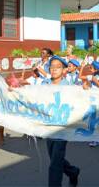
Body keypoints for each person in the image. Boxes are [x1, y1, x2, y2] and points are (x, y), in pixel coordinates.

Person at [41, 55, 80, 187]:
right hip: (48, 127)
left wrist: (85, 90)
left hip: (62, 128)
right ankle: (73, 172)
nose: (54, 70)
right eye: (52, 67)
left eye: (58, 67)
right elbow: (32, 97)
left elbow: (78, 102)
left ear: (64, 70)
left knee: (54, 166)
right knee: (55, 159)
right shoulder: (44, 84)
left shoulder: (69, 86)